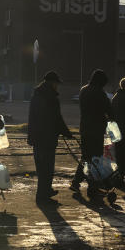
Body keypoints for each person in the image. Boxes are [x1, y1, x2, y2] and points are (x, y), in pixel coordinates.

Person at [27, 70, 72, 205]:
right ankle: (43, 196)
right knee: (47, 168)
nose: (57, 86)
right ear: (53, 83)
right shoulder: (51, 98)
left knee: (41, 168)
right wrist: (67, 133)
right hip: (47, 138)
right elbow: (56, 118)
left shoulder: (36, 96)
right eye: (57, 84)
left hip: (37, 138)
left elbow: (32, 117)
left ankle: (45, 192)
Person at [70, 69, 113, 196]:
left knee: (86, 157)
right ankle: (92, 188)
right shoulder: (100, 93)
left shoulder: (84, 90)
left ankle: (76, 182)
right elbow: (109, 110)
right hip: (96, 130)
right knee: (95, 159)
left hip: (85, 129)